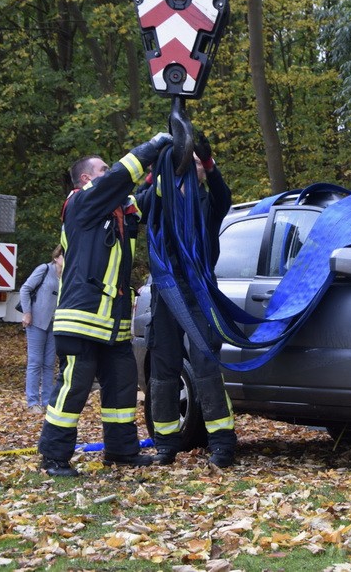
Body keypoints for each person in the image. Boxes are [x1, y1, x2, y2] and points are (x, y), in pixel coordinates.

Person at [37, 132, 172, 477]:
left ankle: (121, 452)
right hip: (81, 319)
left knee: (122, 389)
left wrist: (169, 165)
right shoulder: (82, 203)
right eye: (102, 169)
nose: (109, 172)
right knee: (73, 391)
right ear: (86, 179)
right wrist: (152, 146)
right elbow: (120, 178)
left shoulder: (120, 212)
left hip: (113, 323)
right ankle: (54, 457)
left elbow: (150, 196)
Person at [138, 131, 236, 468]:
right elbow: (139, 203)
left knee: (206, 365)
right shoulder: (160, 196)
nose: (192, 166)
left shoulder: (210, 202)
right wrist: (156, 166)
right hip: (165, 293)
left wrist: (209, 161)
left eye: (197, 163)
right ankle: (166, 444)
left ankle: (222, 443)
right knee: (163, 369)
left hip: (199, 292)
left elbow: (225, 195)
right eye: (187, 161)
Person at [20, 245, 64, 413]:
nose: (65, 260)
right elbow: (25, 289)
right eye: (63, 256)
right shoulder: (44, 269)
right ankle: (32, 402)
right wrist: (27, 313)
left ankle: (47, 401)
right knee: (35, 362)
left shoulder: (66, 276)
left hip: (55, 324)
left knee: (49, 363)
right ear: (56, 257)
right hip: (36, 322)